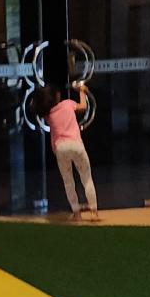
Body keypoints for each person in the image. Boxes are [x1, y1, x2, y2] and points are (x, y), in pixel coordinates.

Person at [35, 81, 99, 221]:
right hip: (76, 145)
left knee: (68, 181)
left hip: (60, 148)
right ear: (55, 96)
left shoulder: (48, 115)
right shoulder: (67, 104)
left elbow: (53, 134)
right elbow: (83, 106)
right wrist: (82, 90)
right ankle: (94, 210)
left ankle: (76, 212)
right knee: (86, 178)